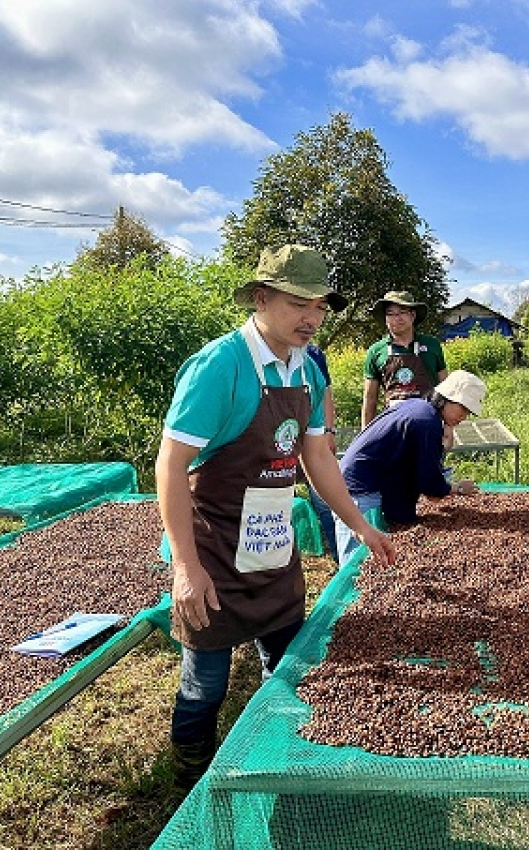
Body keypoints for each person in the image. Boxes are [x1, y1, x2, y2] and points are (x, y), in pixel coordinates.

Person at [155, 243, 396, 790]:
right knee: (206, 681)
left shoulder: (306, 369)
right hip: (212, 549)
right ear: (261, 298)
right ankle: (190, 773)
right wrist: (185, 569)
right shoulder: (221, 366)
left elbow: (316, 457)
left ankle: (275, 759)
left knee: (286, 664)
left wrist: (360, 525)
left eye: (320, 306)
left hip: (271, 544)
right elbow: (170, 466)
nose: (311, 318)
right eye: (298, 304)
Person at [336, 370, 486, 568]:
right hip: (359, 488)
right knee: (358, 566)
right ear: (446, 399)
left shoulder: (419, 407)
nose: (464, 417)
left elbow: (410, 468)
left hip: (366, 480)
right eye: (463, 409)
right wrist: (456, 488)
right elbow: (428, 481)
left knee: (375, 560)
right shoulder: (426, 422)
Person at [361, 291, 448, 430]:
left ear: (412, 315)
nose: (397, 318)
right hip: (393, 427)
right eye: (391, 313)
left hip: (429, 425)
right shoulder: (376, 351)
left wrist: (448, 429)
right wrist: (364, 435)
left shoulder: (432, 345)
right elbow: (370, 398)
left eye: (402, 312)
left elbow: (446, 389)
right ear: (385, 318)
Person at [303, 342, 339, 563]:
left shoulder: (313, 354)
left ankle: (338, 557)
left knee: (323, 499)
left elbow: (325, 392)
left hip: (313, 435)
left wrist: (328, 430)